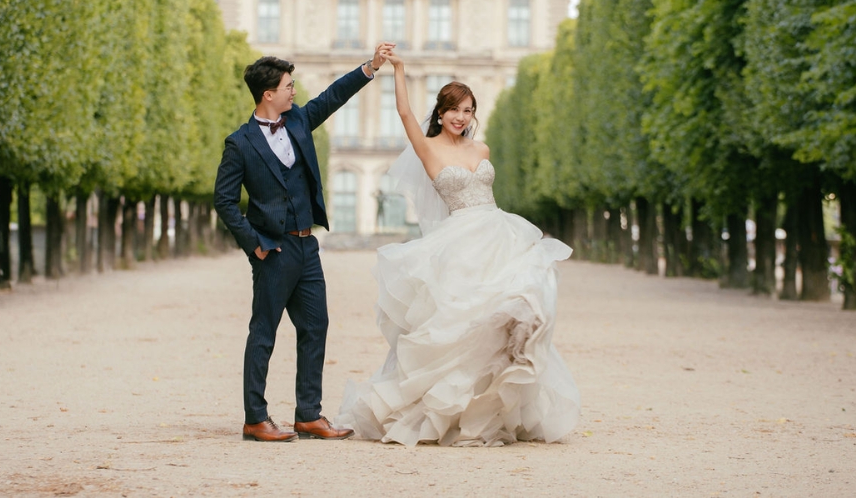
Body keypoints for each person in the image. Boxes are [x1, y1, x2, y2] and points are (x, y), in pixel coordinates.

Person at [338, 52, 581, 446]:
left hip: (498, 232)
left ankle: (503, 393)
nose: (461, 117)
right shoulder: (428, 148)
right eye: (454, 109)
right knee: (460, 326)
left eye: (468, 110)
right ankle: (459, 408)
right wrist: (398, 69)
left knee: (522, 301)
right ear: (440, 111)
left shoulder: (480, 149)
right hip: (461, 241)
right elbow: (403, 112)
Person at [215, 45, 393, 443]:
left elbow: (332, 96)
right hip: (272, 250)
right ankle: (255, 418)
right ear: (268, 94)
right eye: (288, 86)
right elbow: (223, 200)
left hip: (306, 247)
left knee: (316, 327)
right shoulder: (239, 143)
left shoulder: (297, 121)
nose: (294, 91)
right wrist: (254, 244)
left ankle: (308, 414)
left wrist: (370, 66)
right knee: (264, 332)